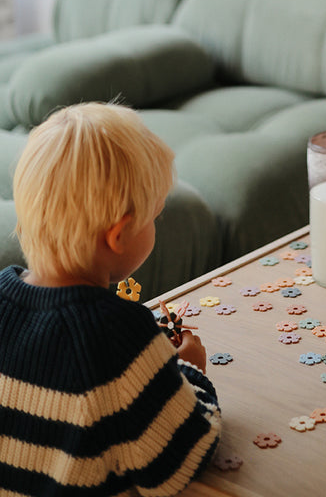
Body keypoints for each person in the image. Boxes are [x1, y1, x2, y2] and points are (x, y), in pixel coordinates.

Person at [0, 102, 221, 494]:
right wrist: (190, 372)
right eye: (154, 216)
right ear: (118, 236)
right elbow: (181, 460)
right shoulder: (118, 336)